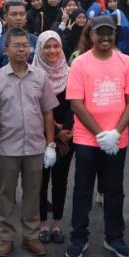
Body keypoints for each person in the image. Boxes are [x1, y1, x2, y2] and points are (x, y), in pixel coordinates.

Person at [65, 15, 129, 257]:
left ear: (115, 34)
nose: (105, 37)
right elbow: (76, 103)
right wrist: (100, 134)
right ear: (92, 34)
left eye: (110, 33)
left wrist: (115, 132)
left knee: (114, 190)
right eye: (100, 33)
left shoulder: (125, 61)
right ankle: (79, 237)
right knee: (83, 189)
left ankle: (114, 237)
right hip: (87, 139)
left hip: (118, 140)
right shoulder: (80, 63)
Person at [0, 27, 59, 257]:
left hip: (35, 147)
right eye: (17, 45)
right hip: (7, 148)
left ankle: (31, 236)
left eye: (25, 46)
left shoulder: (40, 76)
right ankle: (6, 238)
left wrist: (50, 145)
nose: (22, 50)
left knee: (33, 193)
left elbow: (48, 112)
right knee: (6, 194)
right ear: (6, 49)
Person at [33, 31, 74, 245]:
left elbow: (75, 104)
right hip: (40, 135)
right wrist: (55, 133)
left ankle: (56, 223)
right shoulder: (33, 73)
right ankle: (41, 224)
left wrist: (65, 132)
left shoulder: (71, 73)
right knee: (40, 181)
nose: (52, 51)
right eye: (47, 47)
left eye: (55, 46)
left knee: (61, 180)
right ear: (40, 49)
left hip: (68, 137)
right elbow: (33, 107)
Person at [0, 0, 37, 74]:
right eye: (14, 14)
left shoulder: (35, 41)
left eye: (22, 14)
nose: (18, 18)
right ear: (5, 17)